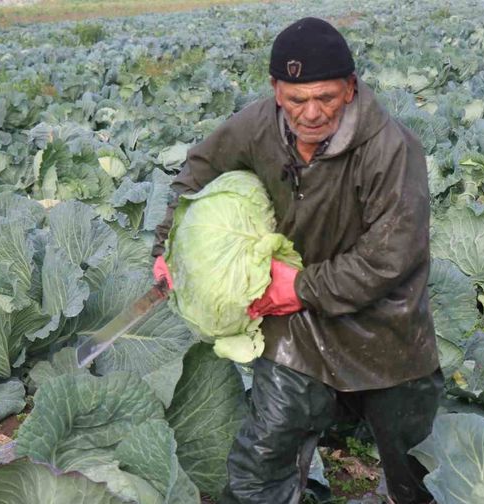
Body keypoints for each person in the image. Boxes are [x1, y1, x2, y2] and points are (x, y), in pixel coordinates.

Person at [152, 17, 441, 504]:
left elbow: (390, 255)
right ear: (275, 90)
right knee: (266, 449)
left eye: (325, 97)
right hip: (295, 325)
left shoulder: (391, 148)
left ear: (350, 88)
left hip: (382, 324)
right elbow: (196, 175)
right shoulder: (256, 126)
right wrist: (169, 247)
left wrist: (300, 287)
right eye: (295, 99)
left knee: (411, 454)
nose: (310, 113)